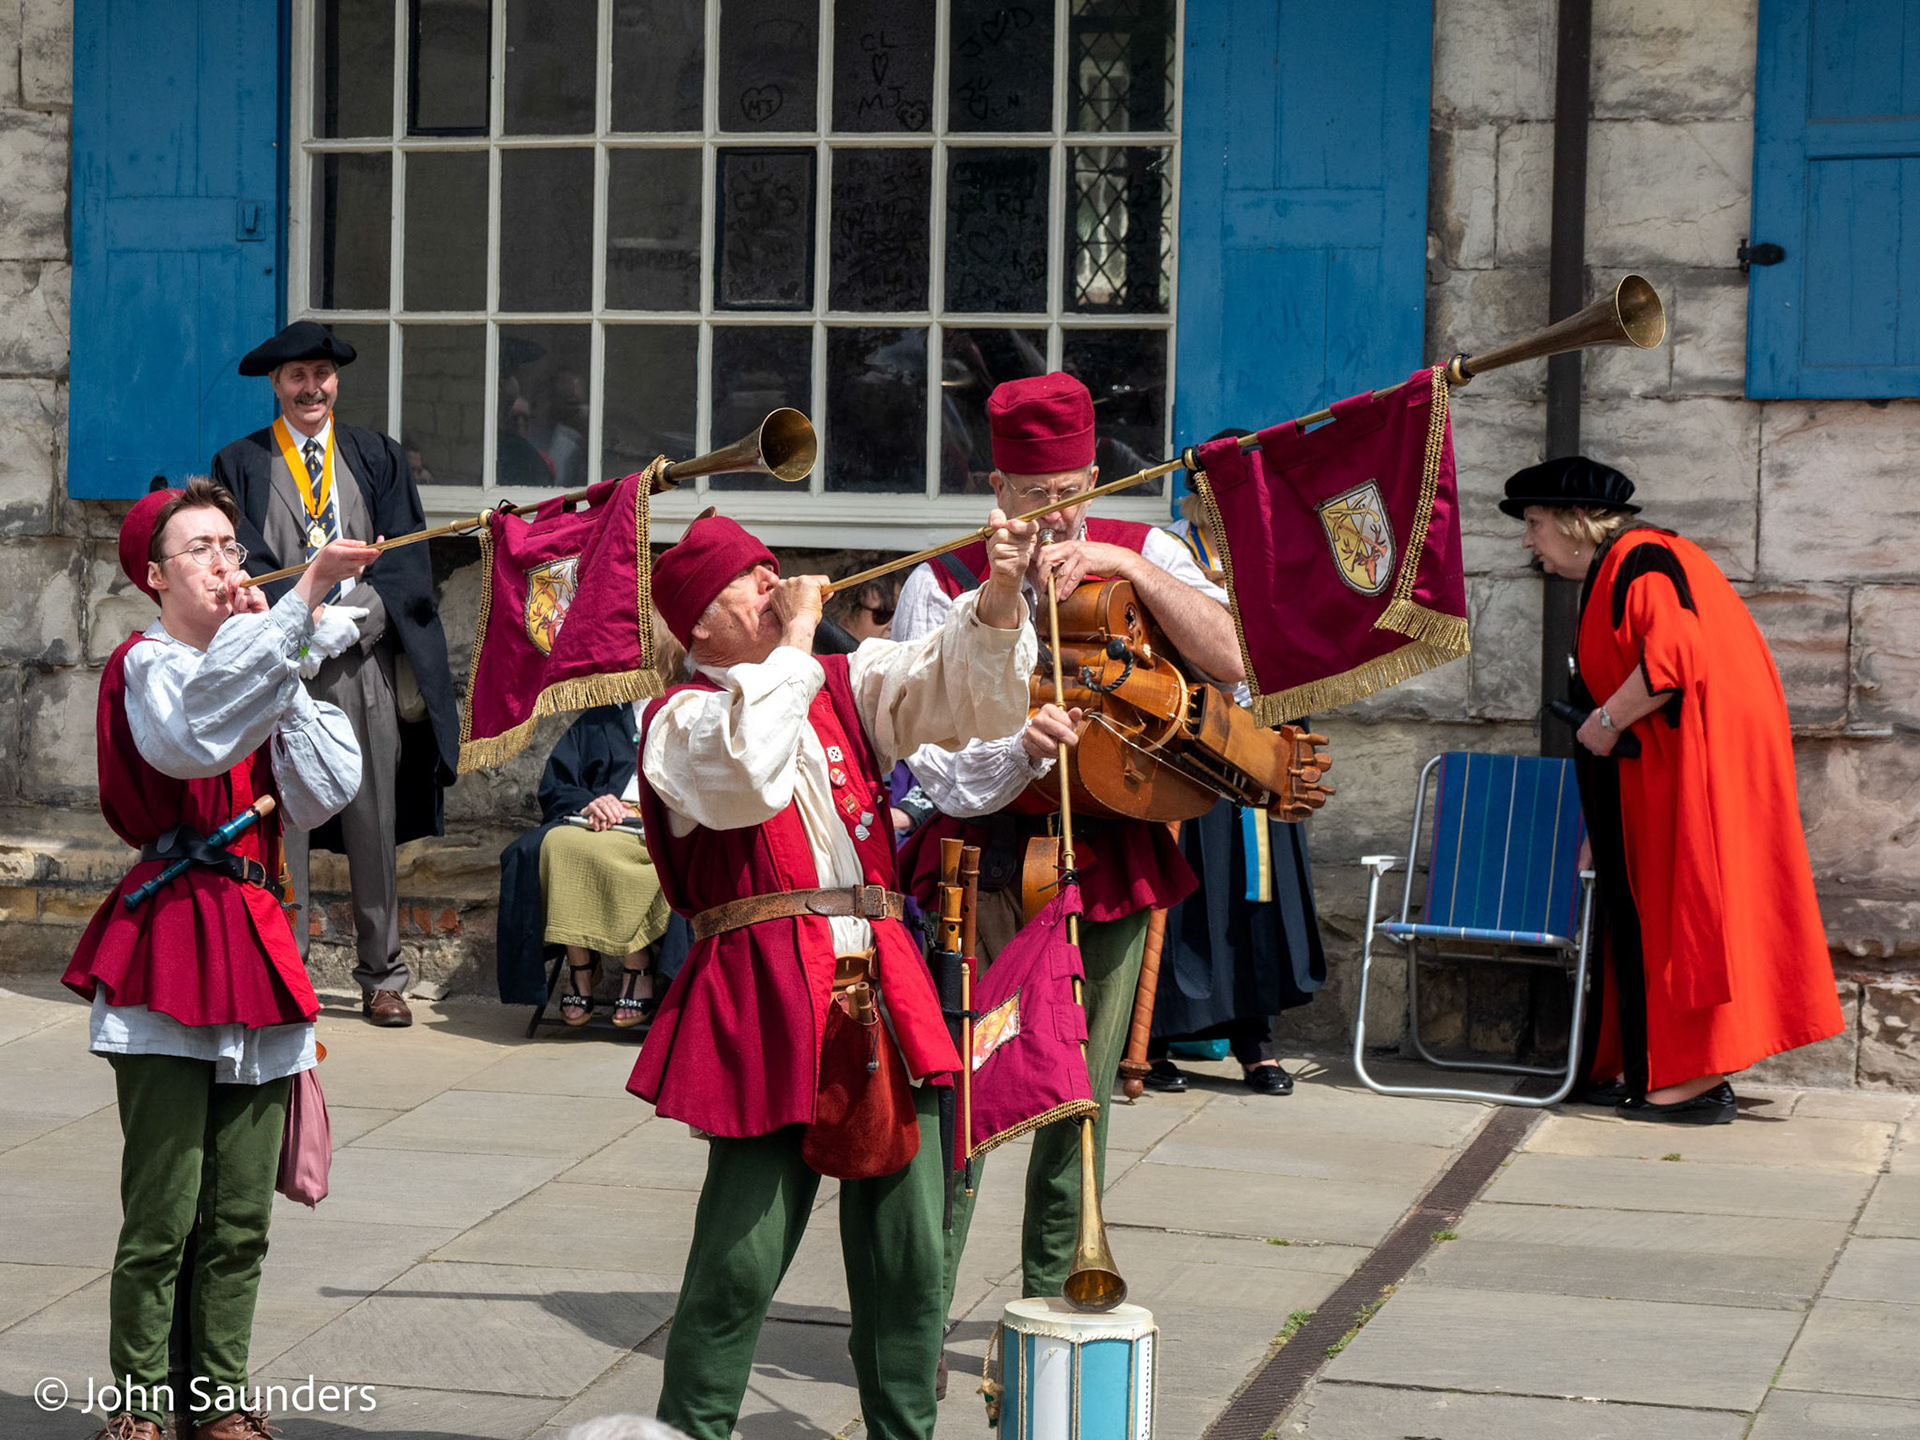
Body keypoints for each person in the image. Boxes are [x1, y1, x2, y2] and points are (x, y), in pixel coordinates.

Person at [627, 505, 1039, 1440]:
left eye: (776, 568)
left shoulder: (838, 685)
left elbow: (947, 686)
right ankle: (690, 1429)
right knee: (743, 1250)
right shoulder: (680, 720)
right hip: (768, 998)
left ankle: (905, 1432)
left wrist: (1002, 592)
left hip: (881, 982)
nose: (775, 584)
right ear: (698, 623)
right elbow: (748, 771)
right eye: (752, 578)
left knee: (908, 1250)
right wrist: (801, 640)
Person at [891, 372, 1244, 1333]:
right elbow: (928, 757)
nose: (1056, 517)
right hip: (983, 863)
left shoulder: (1149, 548)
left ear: (1096, 474)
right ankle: (914, 1326)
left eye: (1074, 493)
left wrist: (1133, 575)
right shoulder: (944, 580)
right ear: (996, 486)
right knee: (963, 1099)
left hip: (1112, 853)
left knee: (1077, 1102)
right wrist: (1018, 750)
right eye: (1034, 497)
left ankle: (1054, 1315)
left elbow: (1236, 662)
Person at [60, 479, 372, 1440]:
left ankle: (220, 1398)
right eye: (199, 548)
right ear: (155, 577)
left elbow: (327, 789)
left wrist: (287, 649)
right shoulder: (148, 664)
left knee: (241, 1213)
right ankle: (143, 1401)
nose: (226, 560)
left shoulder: (256, 666)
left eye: (231, 543)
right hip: (171, 934)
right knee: (163, 1210)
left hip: (252, 929)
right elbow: (194, 735)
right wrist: (293, 609)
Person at [1503, 455, 1845, 1124]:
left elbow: (1672, 664)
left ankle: (1690, 1078)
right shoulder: (1624, 566)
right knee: (1653, 920)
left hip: (1684, 780)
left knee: (1681, 920)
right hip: (1654, 782)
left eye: (1536, 523)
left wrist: (1603, 722)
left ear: (1577, 523)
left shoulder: (1643, 561)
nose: (1527, 540)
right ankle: (1654, 1068)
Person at [212, 321, 461, 1029]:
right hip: (279, 668)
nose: (310, 387)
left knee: (371, 821)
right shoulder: (241, 461)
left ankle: (383, 976)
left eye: (321, 373)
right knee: (280, 821)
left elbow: (408, 557)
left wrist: (357, 620)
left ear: (336, 380)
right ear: (276, 385)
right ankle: (285, 974)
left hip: (360, 665)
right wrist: (299, 626)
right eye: (297, 376)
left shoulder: (374, 455)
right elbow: (241, 558)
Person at [1144, 483, 1327, 1096]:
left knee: (1257, 902)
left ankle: (1256, 1040)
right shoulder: (1168, 553)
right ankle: (1157, 1038)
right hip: (1194, 744)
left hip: (1263, 742)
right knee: (1191, 894)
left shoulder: (1272, 560)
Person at [495, 620, 685, 1025]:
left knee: (637, 862)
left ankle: (638, 965)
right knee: (556, 847)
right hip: (597, 826)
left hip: (654, 827)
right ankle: (580, 968)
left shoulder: (686, 706)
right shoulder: (603, 715)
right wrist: (589, 802)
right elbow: (557, 784)